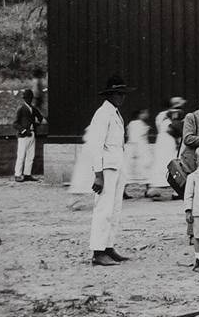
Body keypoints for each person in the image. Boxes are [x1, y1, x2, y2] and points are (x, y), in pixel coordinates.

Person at [88, 75, 134, 266]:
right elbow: (95, 145)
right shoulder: (102, 114)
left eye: (123, 93)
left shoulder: (115, 113)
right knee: (103, 210)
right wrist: (98, 175)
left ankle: (108, 246)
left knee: (114, 209)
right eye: (118, 93)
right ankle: (98, 252)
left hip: (117, 165)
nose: (121, 97)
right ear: (109, 95)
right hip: (106, 169)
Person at [147, 97, 186, 199]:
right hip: (170, 141)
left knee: (159, 163)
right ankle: (176, 191)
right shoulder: (177, 113)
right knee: (173, 163)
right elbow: (175, 128)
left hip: (160, 141)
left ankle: (154, 189)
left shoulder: (160, 115)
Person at [13, 89, 44, 182]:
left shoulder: (33, 109)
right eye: (27, 98)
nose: (29, 99)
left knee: (31, 156)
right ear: (24, 99)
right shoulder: (21, 109)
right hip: (24, 136)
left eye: (30, 98)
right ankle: (17, 175)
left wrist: (36, 124)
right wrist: (24, 131)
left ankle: (27, 174)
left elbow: (40, 118)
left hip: (32, 134)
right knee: (21, 155)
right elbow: (15, 124)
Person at [124, 108, 152, 194]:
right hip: (137, 149)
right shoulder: (135, 124)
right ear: (140, 114)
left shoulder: (140, 124)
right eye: (145, 113)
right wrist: (135, 152)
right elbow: (134, 139)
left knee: (146, 170)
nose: (147, 115)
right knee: (133, 171)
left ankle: (148, 190)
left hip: (142, 149)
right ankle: (123, 191)